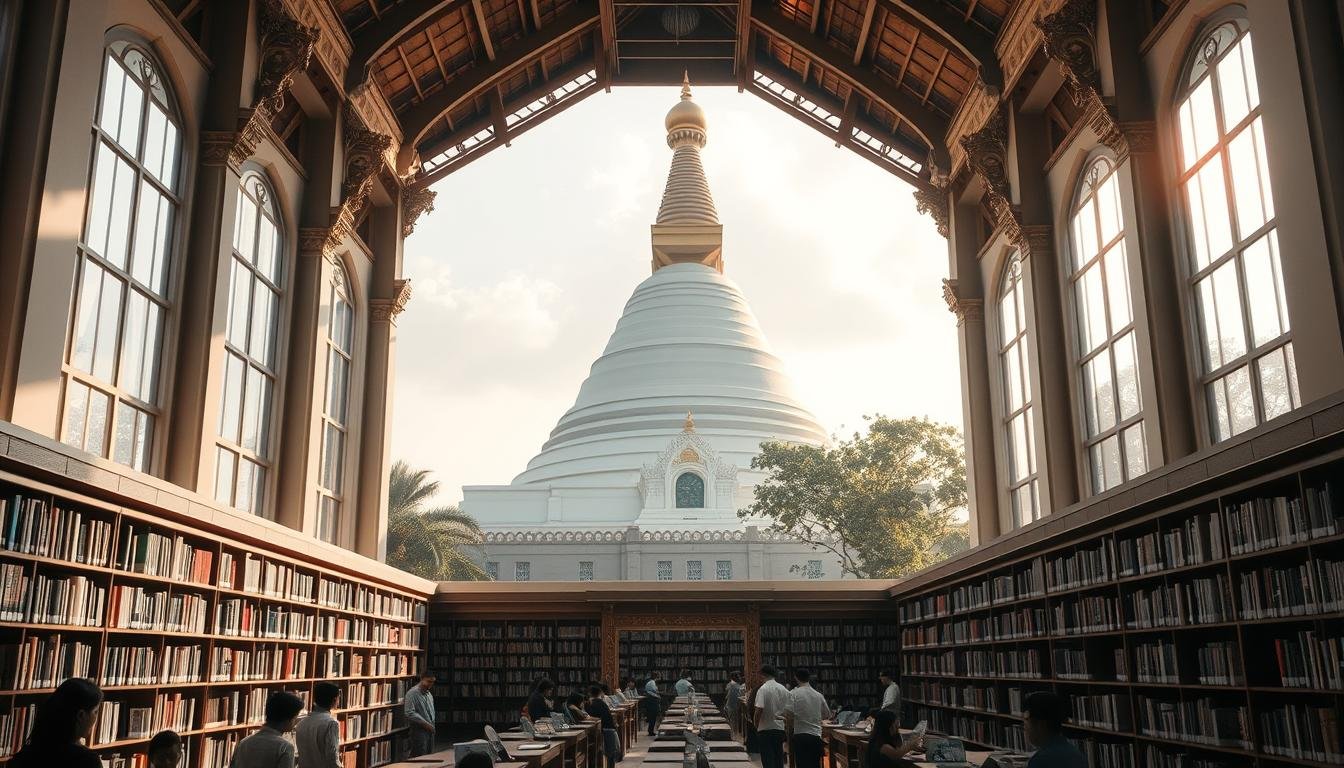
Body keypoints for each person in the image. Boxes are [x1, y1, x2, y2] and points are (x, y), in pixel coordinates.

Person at [11, 678, 103, 768]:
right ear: (81, 715)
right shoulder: (88, 761)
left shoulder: (23, 757)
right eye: (95, 711)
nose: (96, 717)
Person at [229, 691, 304, 768]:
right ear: (288, 719)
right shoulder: (285, 747)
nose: (295, 723)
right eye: (295, 718)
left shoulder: (244, 742)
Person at [1022, 692, 1087, 768]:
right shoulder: (1078, 755)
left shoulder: (1040, 761)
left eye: (1026, 720)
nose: (1024, 727)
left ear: (1041, 725)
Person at [785, 669, 829, 768]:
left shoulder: (793, 693)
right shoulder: (818, 695)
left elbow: (788, 713)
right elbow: (827, 714)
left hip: (800, 734)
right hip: (815, 734)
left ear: (796, 678)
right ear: (809, 678)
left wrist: (791, 726)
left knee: (802, 764)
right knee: (815, 764)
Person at [296, 681, 341, 768]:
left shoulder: (302, 722)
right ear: (335, 700)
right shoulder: (331, 724)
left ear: (314, 699)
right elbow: (332, 758)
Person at [753, 665, 789, 768]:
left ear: (763, 675)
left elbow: (759, 709)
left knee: (767, 759)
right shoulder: (783, 689)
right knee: (778, 758)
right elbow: (788, 709)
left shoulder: (763, 689)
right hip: (779, 728)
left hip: (765, 729)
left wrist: (756, 725)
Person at [586, 684, 622, 768]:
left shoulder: (592, 704)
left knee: (606, 752)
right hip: (610, 729)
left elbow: (592, 716)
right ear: (599, 693)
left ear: (590, 694)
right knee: (611, 754)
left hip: (603, 730)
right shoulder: (602, 703)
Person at [405, 671, 437, 757]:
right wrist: (426, 724)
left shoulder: (428, 694)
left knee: (429, 757)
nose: (431, 684)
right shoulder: (412, 693)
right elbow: (409, 712)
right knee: (419, 757)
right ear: (422, 679)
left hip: (430, 730)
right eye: (429, 681)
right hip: (419, 731)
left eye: (433, 682)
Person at [643, 672, 662, 736]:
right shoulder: (652, 683)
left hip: (650, 700)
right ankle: (651, 731)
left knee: (652, 717)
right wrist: (658, 693)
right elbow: (654, 690)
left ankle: (651, 730)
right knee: (653, 717)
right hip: (652, 700)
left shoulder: (650, 682)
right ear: (656, 677)